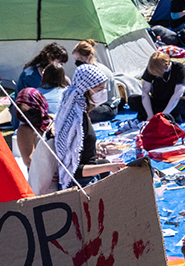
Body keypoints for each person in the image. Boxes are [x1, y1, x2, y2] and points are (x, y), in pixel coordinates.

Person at [42, 62, 124, 192]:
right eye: (99, 90)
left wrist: (95, 148)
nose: (103, 93)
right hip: (80, 185)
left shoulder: (78, 111)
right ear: (86, 90)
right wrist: (110, 167)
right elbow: (73, 171)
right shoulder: (76, 120)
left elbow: (79, 148)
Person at [10, 43, 68, 129]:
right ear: (49, 58)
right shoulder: (30, 76)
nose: (60, 65)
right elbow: (30, 103)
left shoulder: (50, 71)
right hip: (26, 118)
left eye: (62, 64)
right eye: (59, 62)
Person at [137, 50, 185, 123]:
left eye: (158, 73)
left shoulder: (180, 68)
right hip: (157, 101)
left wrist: (163, 115)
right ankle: (155, 114)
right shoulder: (152, 68)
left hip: (174, 102)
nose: (157, 75)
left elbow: (178, 94)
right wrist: (149, 115)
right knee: (133, 99)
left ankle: (167, 115)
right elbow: (145, 92)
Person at [12, 87, 52, 168]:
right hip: (42, 176)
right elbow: (29, 161)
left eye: (32, 109)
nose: (29, 114)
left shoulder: (52, 120)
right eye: (24, 111)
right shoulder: (25, 130)